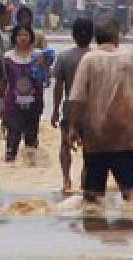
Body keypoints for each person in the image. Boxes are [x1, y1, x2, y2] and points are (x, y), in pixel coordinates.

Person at [67, 16, 133, 203]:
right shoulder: (129, 57)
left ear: (96, 39)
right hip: (127, 135)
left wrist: (72, 127)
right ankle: (132, 224)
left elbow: (77, 97)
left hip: (97, 135)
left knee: (92, 194)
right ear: (117, 38)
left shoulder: (89, 59)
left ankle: (94, 226)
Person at [50, 16, 92, 193]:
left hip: (70, 107)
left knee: (65, 145)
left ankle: (67, 181)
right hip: (93, 110)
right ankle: (85, 179)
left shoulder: (64, 57)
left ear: (73, 35)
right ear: (92, 36)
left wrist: (54, 111)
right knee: (90, 150)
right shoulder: (97, 57)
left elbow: (58, 87)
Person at [2, 24, 48, 165]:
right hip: (13, 103)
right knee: (13, 133)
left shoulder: (39, 56)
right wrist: (0, 103)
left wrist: (42, 67)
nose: (23, 38)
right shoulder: (7, 57)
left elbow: (46, 80)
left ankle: (32, 164)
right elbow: (3, 81)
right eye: (20, 35)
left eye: (26, 35)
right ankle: (10, 161)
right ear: (14, 38)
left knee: (32, 134)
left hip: (34, 102)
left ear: (31, 37)